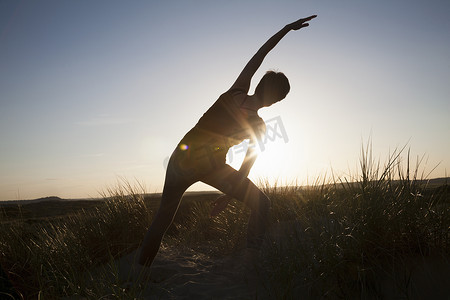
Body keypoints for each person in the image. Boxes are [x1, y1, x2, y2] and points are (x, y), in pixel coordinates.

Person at [138, 15, 317, 266]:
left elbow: (260, 54)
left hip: (182, 156)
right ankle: (251, 259)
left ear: (261, 84)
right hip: (211, 167)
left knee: (162, 220)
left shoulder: (236, 91)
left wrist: (287, 29)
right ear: (275, 99)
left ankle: (138, 275)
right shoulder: (260, 127)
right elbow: (244, 171)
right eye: (279, 99)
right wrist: (228, 196)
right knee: (261, 203)